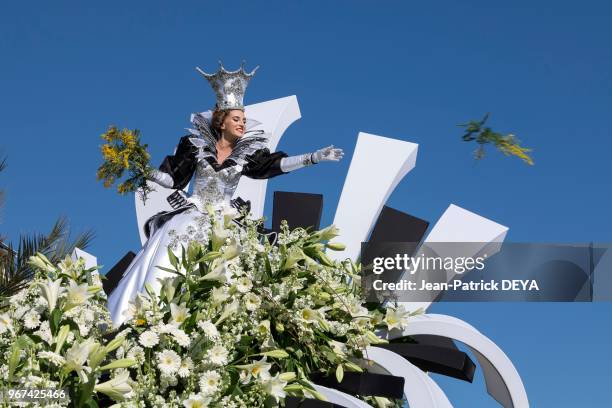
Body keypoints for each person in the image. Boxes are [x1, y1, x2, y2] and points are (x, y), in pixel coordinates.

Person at [107, 62, 343, 327]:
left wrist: (313, 158)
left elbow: (274, 165)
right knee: (167, 261)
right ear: (221, 122)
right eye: (236, 119)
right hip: (192, 216)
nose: (242, 124)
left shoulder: (247, 153)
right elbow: (172, 178)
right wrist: (142, 168)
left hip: (225, 219)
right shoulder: (195, 146)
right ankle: (149, 317)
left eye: (243, 119)